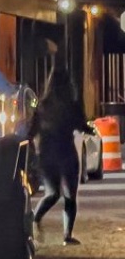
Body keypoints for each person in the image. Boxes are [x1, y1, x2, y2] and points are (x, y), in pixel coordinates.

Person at [29, 66, 94, 245]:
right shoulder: (71, 105)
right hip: (65, 151)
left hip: (47, 152)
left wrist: (31, 150)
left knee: (52, 193)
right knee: (70, 196)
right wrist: (90, 129)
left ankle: (35, 220)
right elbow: (81, 124)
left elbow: (32, 130)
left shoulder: (42, 105)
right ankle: (67, 234)